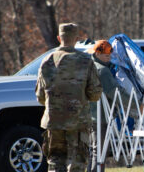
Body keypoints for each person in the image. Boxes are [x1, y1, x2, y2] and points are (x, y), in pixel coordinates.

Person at [35, 23, 103, 172]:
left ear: (59, 38)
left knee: (54, 164)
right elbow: (95, 94)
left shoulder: (46, 61)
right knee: (77, 165)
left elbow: (40, 96)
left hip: (53, 122)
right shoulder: (86, 61)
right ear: (77, 39)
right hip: (78, 122)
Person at [87, 40, 139, 172]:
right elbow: (116, 93)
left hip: (88, 116)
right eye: (105, 53)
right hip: (101, 117)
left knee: (93, 151)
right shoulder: (103, 71)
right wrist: (138, 105)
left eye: (109, 53)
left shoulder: (89, 66)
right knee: (100, 153)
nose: (108, 56)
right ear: (97, 53)